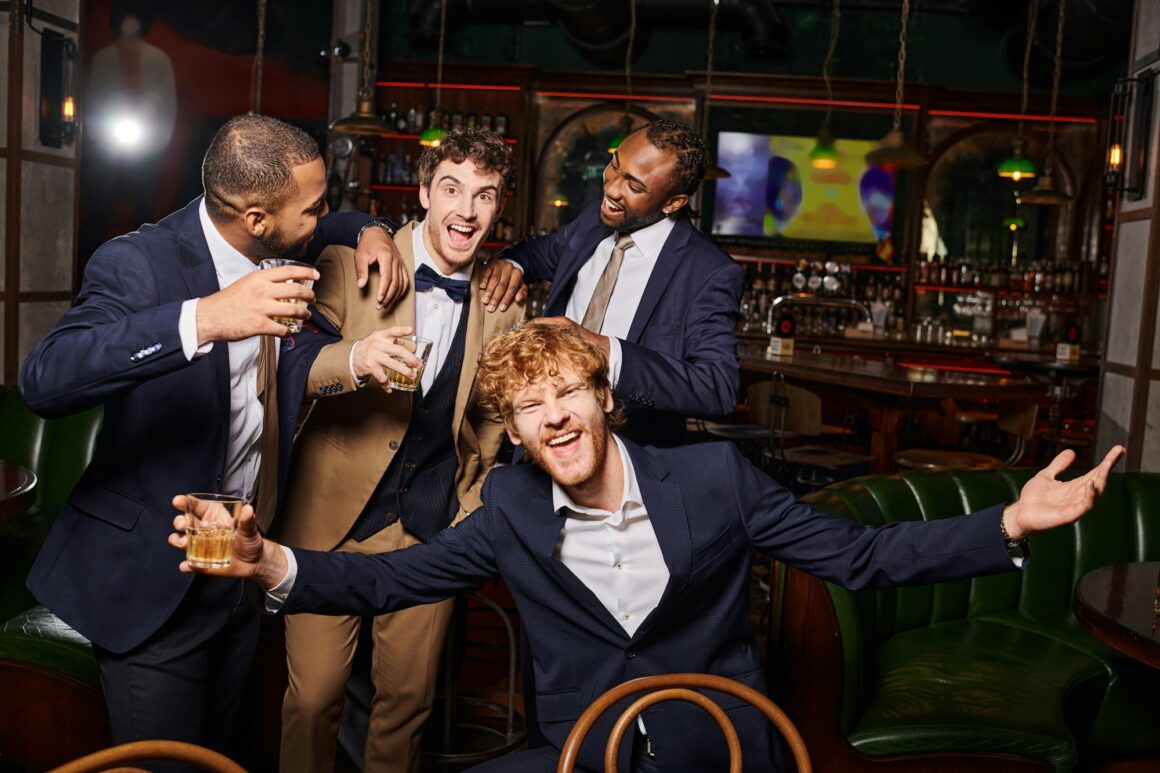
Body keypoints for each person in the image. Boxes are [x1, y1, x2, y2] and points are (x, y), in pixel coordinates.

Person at [170, 324, 1124, 772]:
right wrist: (270, 563)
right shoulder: (508, 504)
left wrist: (1007, 522)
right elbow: (388, 579)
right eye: (529, 409)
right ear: (519, 431)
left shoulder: (714, 483)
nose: (553, 417)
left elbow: (859, 558)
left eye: (565, 394)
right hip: (582, 751)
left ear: (604, 397)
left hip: (718, 746)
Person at [19, 113, 403, 758]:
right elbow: (46, 379)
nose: (320, 221)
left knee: (223, 758)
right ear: (255, 218)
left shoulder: (277, 240)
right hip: (153, 580)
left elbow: (330, 222)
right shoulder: (139, 263)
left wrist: (372, 230)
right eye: (311, 210)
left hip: (239, 572)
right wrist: (202, 319)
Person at [274, 128, 524, 773]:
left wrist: (472, 502)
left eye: (485, 196)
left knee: (406, 705)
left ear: (499, 210)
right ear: (422, 194)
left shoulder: (503, 303)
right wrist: (355, 362)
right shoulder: (352, 260)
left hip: (431, 530)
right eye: (451, 189)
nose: (466, 210)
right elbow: (287, 361)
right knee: (314, 700)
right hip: (328, 521)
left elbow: (492, 413)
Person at [474, 118, 744, 448]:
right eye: (615, 164)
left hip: (627, 459)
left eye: (635, 185)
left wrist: (604, 350)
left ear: (673, 202)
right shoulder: (597, 219)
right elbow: (542, 252)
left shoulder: (709, 271)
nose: (612, 188)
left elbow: (716, 388)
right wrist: (511, 261)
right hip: (540, 444)